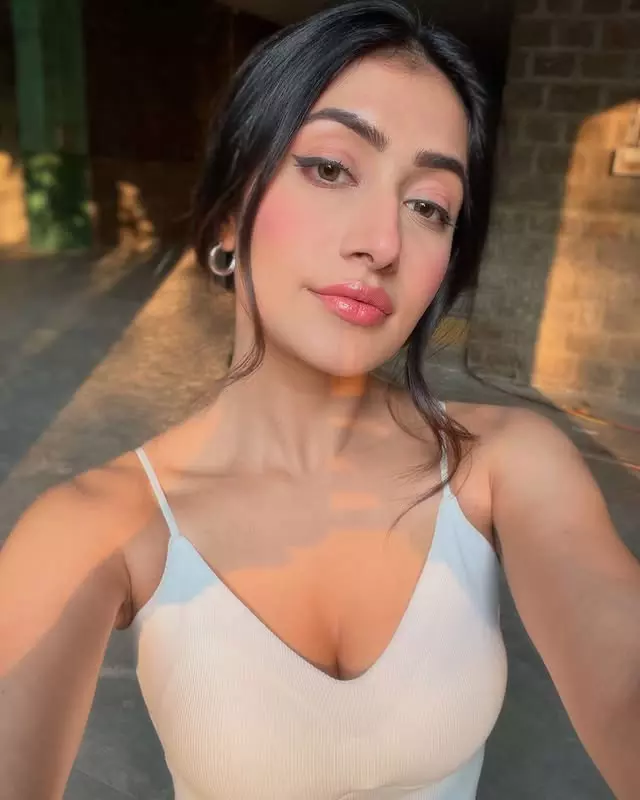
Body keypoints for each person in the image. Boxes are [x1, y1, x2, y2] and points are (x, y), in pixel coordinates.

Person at [1, 2, 639, 798]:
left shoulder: (506, 463)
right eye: (331, 169)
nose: (383, 243)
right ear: (229, 216)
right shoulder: (93, 528)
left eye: (429, 205)